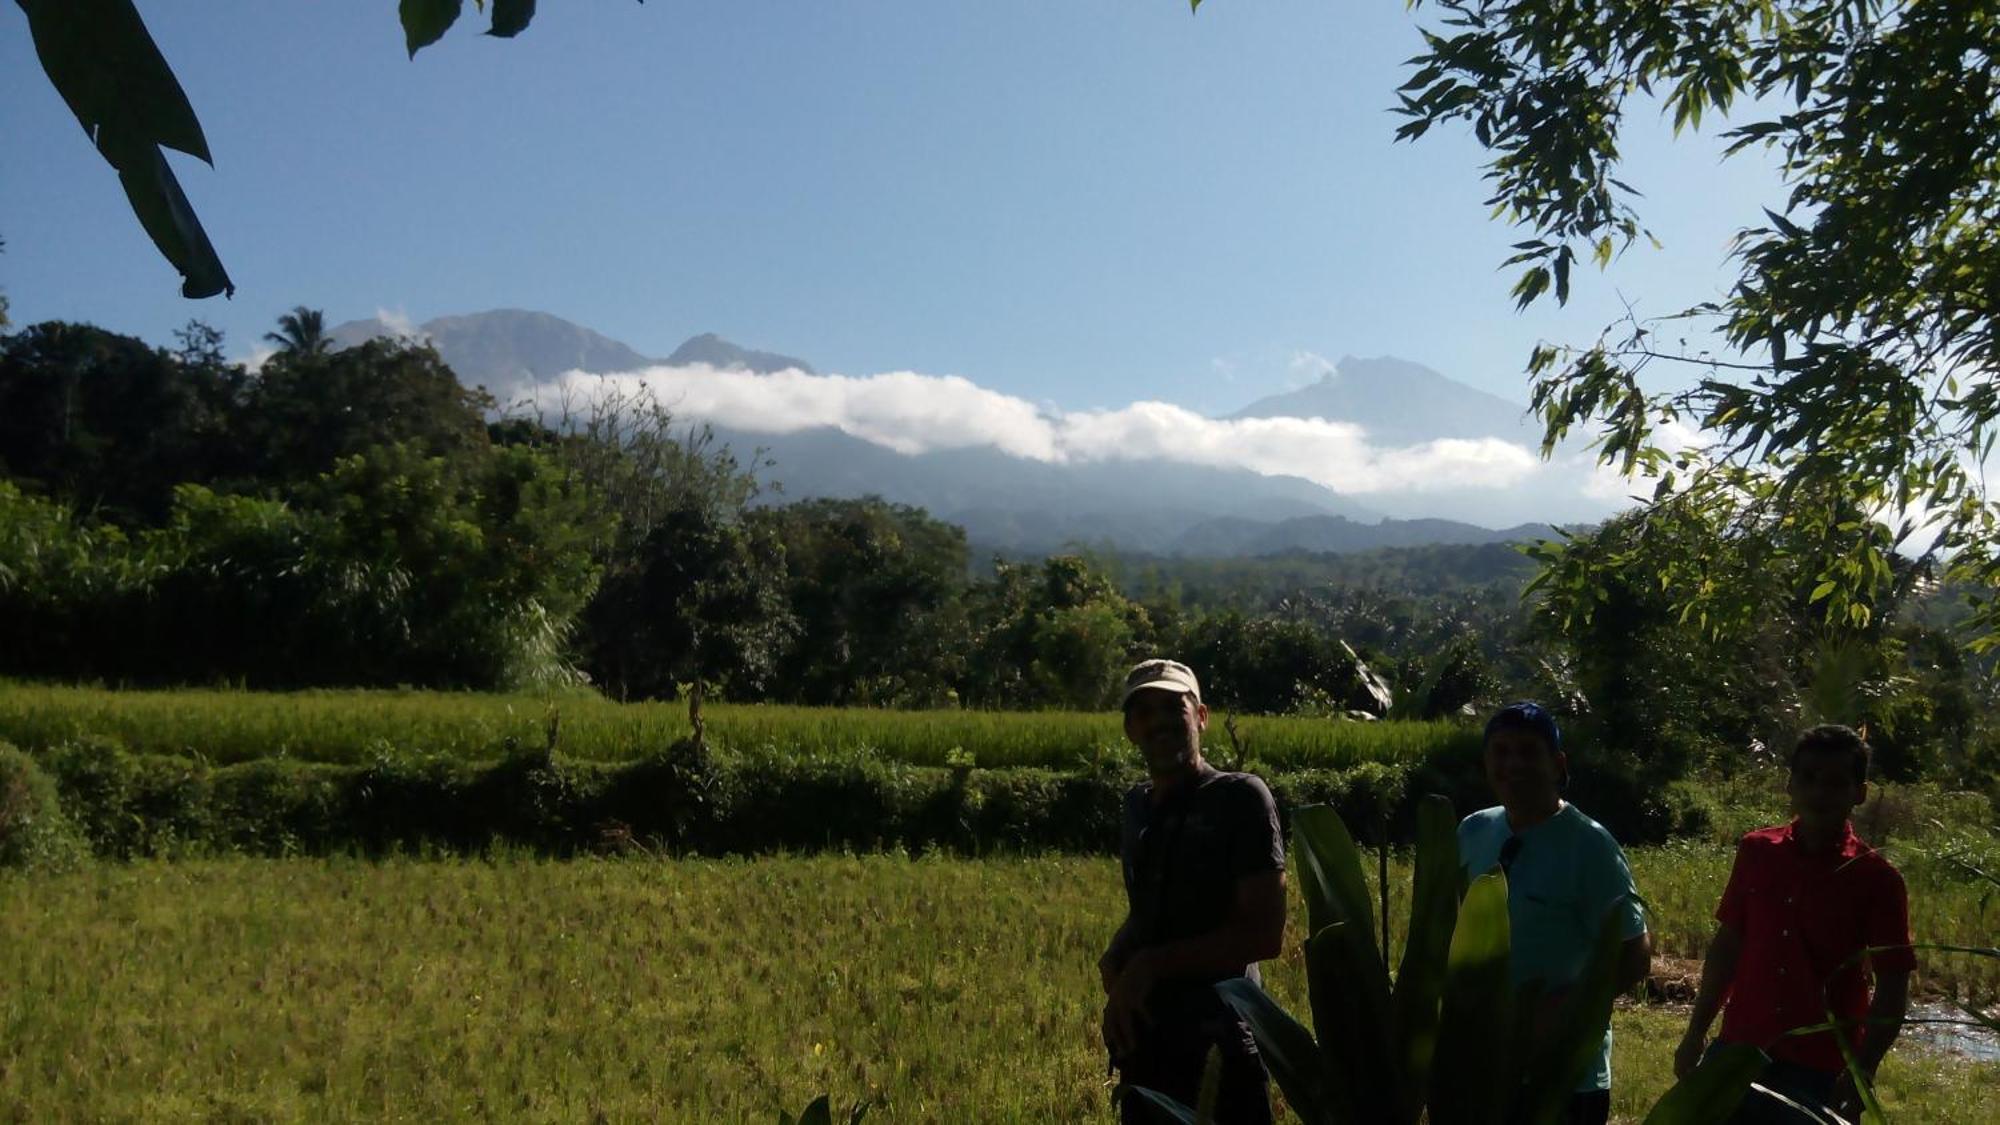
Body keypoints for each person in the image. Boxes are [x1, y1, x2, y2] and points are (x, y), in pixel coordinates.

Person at [1674, 725, 1915, 1123]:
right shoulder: (1757, 852)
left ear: (1860, 793)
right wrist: (1696, 1031)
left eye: (1837, 783)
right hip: (1738, 1051)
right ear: (1790, 784)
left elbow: (1892, 986)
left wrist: (1863, 1071)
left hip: (1820, 1068)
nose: (1820, 792)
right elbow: (1728, 946)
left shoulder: (1877, 878)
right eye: (1809, 778)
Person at [1100, 658, 1287, 1125]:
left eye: (1173, 707)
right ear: (1129, 729)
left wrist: (1149, 965)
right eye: (1144, 711)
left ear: (1200, 716)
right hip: (1147, 1040)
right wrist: (1118, 957)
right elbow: (1146, 909)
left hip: (1219, 1042)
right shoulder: (1137, 807)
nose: (1159, 721)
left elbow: (1263, 935)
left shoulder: (1240, 799)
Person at [1457, 701, 1652, 1125]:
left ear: (1557, 764)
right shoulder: (1473, 830)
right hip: (1485, 1062)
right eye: (1501, 752)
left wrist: (1561, 1011)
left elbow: (1634, 953)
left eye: (1528, 752)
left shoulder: (1591, 845)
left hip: (1564, 1073)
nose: (1513, 764)